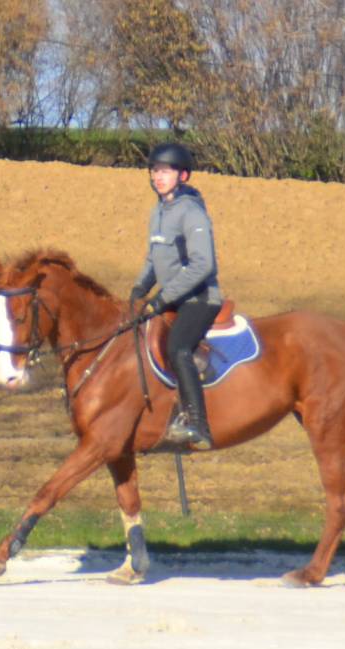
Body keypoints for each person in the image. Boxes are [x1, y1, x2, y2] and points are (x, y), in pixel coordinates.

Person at [130, 141, 223, 451]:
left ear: (183, 175)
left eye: (166, 171)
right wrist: (139, 289)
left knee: (178, 347)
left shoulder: (191, 212)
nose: (158, 176)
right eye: (155, 171)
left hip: (199, 299)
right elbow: (153, 258)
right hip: (171, 299)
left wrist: (161, 299)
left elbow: (203, 265)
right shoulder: (158, 211)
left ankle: (198, 423)